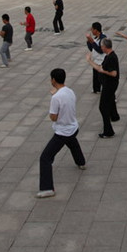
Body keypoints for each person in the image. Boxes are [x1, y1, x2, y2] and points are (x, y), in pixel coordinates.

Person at [36, 68, 86, 198]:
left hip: (62, 131)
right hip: (73, 126)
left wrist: (53, 97)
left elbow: (53, 117)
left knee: (45, 157)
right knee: (72, 142)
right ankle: (81, 162)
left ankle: (47, 188)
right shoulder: (70, 91)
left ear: (53, 80)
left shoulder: (56, 97)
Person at [87, 38, 120, 138]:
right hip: (108, 84)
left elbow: (114, 73)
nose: (101, 48)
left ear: (105, 47)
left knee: (103, 107)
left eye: (101, 46)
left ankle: (108, 131)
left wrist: (103, 72)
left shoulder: (111, 58)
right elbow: (99, 67)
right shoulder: (109, 56)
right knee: (110, 101)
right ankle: (114, 116)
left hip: (109, 85)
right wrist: (90, 61)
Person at [85, 22, 107, 93]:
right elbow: (92, 49)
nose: (91, 31)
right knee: (95, 76)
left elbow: (101, 50)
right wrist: (89, 42)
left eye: (92, 29)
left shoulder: (103, 38)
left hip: (101, 61)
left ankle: (106, 90)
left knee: (101, 77)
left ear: (96, 30)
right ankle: (96, 89)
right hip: (95, 60)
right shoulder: (96, 38)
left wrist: (92, 42)